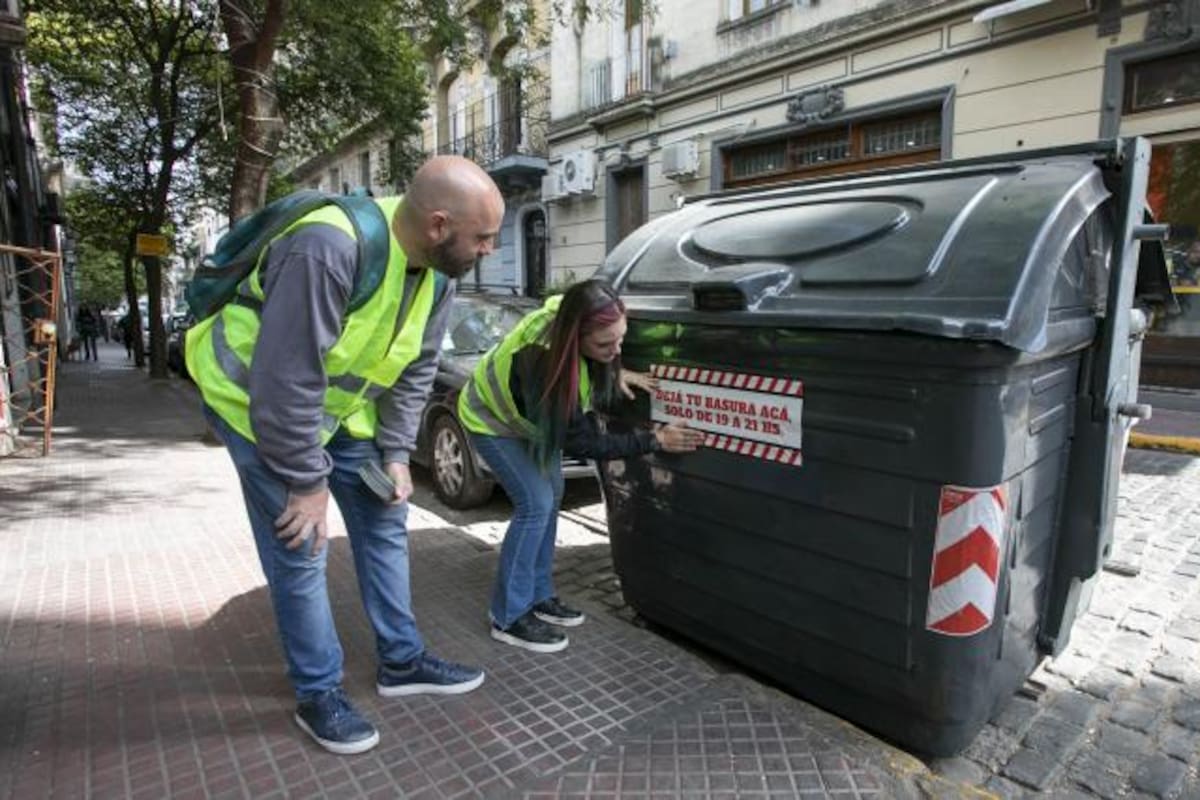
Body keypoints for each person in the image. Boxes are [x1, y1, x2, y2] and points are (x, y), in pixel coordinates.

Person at [185, 155, 504, 755]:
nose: (490, 248)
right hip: (255, 405)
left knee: (386, 518)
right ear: (438, 225)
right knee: (300, 541)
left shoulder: (439, 271)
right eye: (483, 237)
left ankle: (402, 661)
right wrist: (307, 482)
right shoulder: (326, 248)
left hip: (335, 411)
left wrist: (395, 454)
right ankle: (318, 692)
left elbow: (415, 369)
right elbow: (286, 381)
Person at [458, 279, 704, 653]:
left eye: (620, 340)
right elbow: (583, 441)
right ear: (576, 336)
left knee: (552, 494)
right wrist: (655, 440)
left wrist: (614, 368)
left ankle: (539, 596)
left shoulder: (579, 318)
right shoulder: (541, 360)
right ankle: (508, 616)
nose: (616, 349)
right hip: (491, 420)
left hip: (532, 418)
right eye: (605, 345)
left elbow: (588, 367)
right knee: (535, 505)